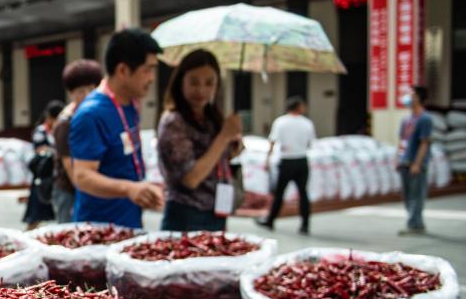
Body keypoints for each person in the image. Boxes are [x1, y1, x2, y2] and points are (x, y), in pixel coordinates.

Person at [70, 29, 165, 228]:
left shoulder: (130, 105)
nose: (152, 78)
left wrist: (140, 188)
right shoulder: (91, 114)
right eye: (147, 70)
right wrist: (128, 188)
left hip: (129, 220)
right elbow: (83, 176)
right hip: (98, 229)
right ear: (123, 70)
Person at [156, 49, 243, 231]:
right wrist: (223, 137)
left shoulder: (210, 118)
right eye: (194, 82)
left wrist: (233, 144)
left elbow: (217, 159)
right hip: (186, 215)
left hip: (216, 212)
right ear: (181, 81)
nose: (201, 90)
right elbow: (191, 179)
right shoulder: (174, 122)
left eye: (209, 83)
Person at [53, 59, 104, 223]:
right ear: (71, 93)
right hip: (69, 192)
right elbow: (72, 171)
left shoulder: (92, 115)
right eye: (81, 91)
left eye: (92, 89)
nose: (88, 95)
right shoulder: (66, 123)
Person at [257, 97, 316, 234]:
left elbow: (272, 142)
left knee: (279, 193)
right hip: (301, 160)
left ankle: (270, 220)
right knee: (303, 193)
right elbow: (310, 143)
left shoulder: (280, 122)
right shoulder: (307, 123)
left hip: (286, 161)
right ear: (298, 107)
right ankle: (305, 225)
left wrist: (267, 159)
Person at [396, 85, 433, 236]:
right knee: (407, 196)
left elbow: (424, 143)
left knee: (416, 195)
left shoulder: (425, 119)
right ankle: (417, 223)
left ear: (419, 98)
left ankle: (414, 225)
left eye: (411, 95)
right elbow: (402, 140)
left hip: (416, 164)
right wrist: (398, 158)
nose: (408, 97)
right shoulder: (406, 119)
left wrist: (417, 163)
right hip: (404, 161)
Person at [24, 100, 64, 230]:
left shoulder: (57, 130)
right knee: (36, 212)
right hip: (42, 176)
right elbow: (40, 150)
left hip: (53, 176)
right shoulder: (40, 131)